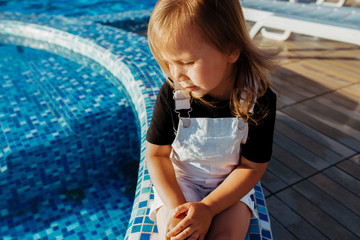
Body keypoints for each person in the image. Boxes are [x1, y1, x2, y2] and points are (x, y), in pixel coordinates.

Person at [145, 0, 277, 239]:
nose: (177, 75)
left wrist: (209, 208)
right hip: (182, 181)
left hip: (230, 185)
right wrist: (179, 208)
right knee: (177, 234)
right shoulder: (173, 94)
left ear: (231, 49)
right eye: (168, 63)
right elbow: (156, 154)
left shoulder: (258, 100)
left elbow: (251, 167)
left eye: (186, 62)